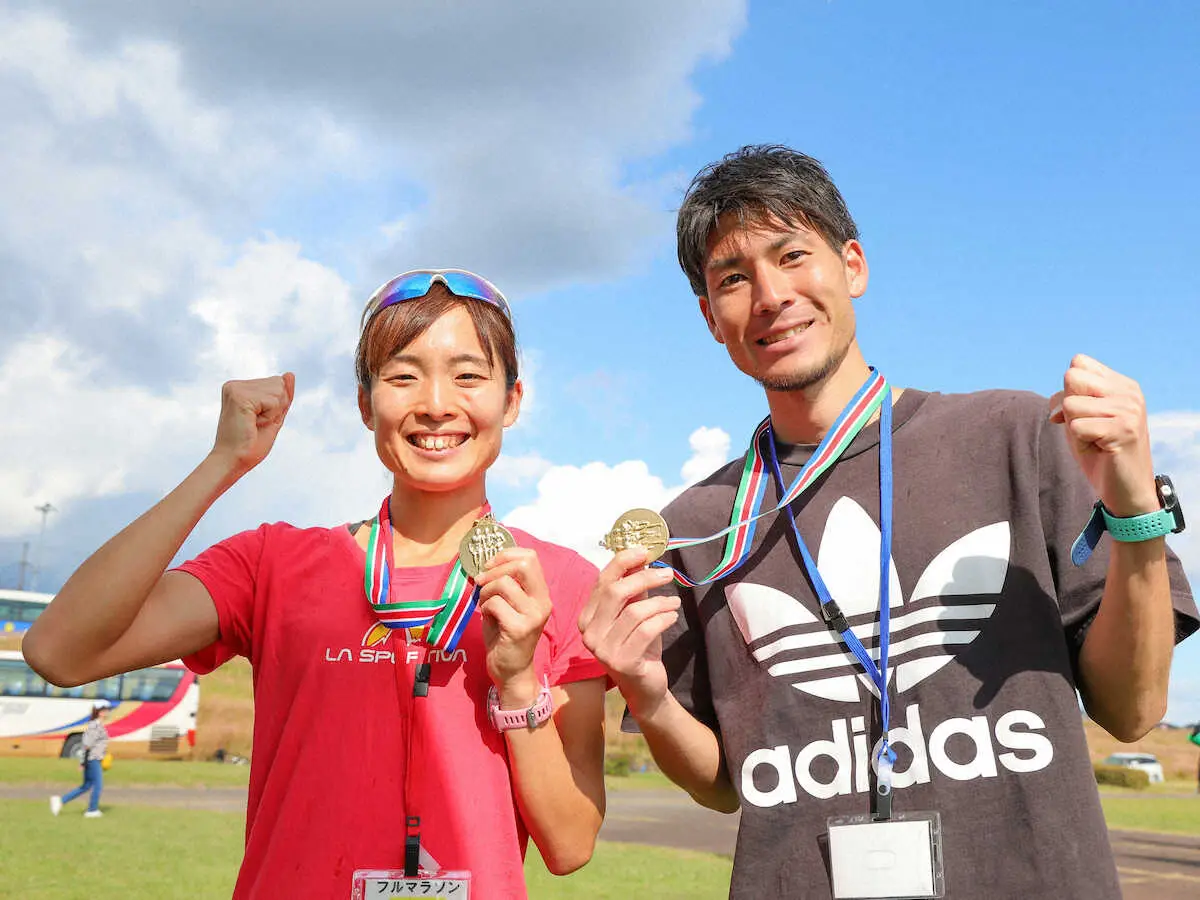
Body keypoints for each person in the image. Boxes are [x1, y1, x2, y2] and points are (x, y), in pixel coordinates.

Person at [580, 145, 1197, 898]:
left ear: (854, 265)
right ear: (712, 318)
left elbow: (1135, 710)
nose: (771, 295)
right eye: (733, 279)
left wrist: (1134, 515)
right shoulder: (698, 528)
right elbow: (721, 784)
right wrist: (645, 692)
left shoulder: (1014, 437)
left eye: (792, 254)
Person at [25, 270, 607, 898]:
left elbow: (571, 845)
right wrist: (223, 463)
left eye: (468, 376)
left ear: (512, 400)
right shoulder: (272, 565)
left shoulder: (560, 585)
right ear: (365, 405)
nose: (437, 402)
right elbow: (60, 652)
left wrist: (518, 681)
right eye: (403, 375)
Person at [50, 700, 110, 819]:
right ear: (100, 712)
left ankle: (60, 801)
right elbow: (86, 745)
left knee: (86, 786)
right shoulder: (95, 726)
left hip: (94, 759)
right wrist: (83, 762)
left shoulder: (97, 725)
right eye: (106, 710)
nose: (108, 712)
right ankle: (92, 810)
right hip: (92, 759)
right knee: (98, 785)